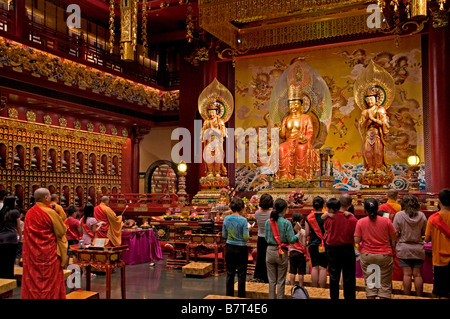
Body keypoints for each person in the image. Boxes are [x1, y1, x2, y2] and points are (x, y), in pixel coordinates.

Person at [21, 188, 68, 299]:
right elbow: (62, 230)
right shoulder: (50, 212)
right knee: (50, 281)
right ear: (46, 197)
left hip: (33, 253)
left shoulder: (29, 213)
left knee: (33, 279)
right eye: (50, 195)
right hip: (49, 254)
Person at [354, 198, 397, 299]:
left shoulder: (361, 222)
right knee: (385, 286)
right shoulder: (386, 221)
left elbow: (356, 240)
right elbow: (394, 237)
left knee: (371, 286)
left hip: (367, 255)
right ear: (378, 208)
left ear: (365, 210)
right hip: (384, 255)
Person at [277, 85, 316, 182]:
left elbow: (310, 131)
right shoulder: (286, 119)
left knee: (301, 148)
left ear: (302, 105)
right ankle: (284, 175)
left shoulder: (306, 118)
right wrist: (281, 130)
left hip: (301, 141)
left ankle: (300, 174)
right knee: (281, 148)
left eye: (295, 104)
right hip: (289, 141)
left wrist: (305, 138)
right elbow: (282, 135)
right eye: (291, 105)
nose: (293, 107)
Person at [265, 198, 301, 299]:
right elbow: (291, 240)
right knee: (281, 280)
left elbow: (266, 237)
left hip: (270, 251)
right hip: (282, 252)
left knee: (271, 281)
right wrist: (297, 235)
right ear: (284, 209)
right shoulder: (286, 223)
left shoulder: (268, 222)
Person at [323, 196, 358, 300]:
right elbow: (355, 235)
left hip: (332, 249)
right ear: (350, 205)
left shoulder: (329, 217)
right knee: (349, 276)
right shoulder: (352, 219)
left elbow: (326, 229)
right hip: (347, 249)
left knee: (334, 276)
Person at [393, 194, 427, 296]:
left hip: (404, 248)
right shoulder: (422, 216)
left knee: (407, 274)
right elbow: (424, 232)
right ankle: (419, 296)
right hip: (418, 248)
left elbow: (395, 233)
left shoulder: (399, 215)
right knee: (417, 275)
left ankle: (406, 296)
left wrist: (395, 245)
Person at [222, 197, 250, 298]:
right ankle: (241, 296)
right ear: (241, 208)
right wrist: (249, 229)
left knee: (230, 273)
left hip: (229, 247)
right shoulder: (243, 220)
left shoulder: (226, 219)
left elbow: (224, 235)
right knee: (241, 274)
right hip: (241, 248)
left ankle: (229, 296)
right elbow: (246, 237)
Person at [425, 188, 450, 299]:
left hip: (439, 259)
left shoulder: (433, 218)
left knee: (442, 292)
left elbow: (426, 239)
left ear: (439, 201)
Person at [305, 196, 328, 288]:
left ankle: (314, 289)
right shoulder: (326, 216)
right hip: (325, 244)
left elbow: (306, 233)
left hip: (313, 244)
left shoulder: (309, 217)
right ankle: (322, 289)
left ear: (313, 206)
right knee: (323, 268)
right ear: (323, 205)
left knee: (314, 266)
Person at [201, 102, 228, 177]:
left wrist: (215, 131)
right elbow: (203, 133)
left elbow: (223, 134)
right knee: (208, 155)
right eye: (209, 112)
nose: (211, 114)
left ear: (217, 112)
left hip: (217, 141)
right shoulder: (206, 122)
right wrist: (208, 132)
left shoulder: (220, 122)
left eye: (213, 112)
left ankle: (217, 172)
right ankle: (209, 172)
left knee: (218, 156)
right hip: (209, 141)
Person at [253, 193, 273, 283]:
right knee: (269, 258)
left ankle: (259, 275)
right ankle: (269, 276)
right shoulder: (272, 213)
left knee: (260, 257)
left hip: (260, 237)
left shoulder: (257, 213)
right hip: (270, 237)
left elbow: (260, 209)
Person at [0, 196, 21, 279]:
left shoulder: (1, 212)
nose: (16, 203)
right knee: (10, 259)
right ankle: (9, 276)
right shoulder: (15, 212)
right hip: (11, 238)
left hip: (1, 237)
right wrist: (20, 237)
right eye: (15, 202)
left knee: (2, 258)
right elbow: (18, 226)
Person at [288, 212, 307, 286]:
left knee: (292, 271)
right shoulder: (302, 231)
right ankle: (301, 286)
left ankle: (292, 285)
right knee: (301, 272)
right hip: (300, 252)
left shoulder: (290, 231)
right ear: (302, 220)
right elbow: (304, 244)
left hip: (292, 251)